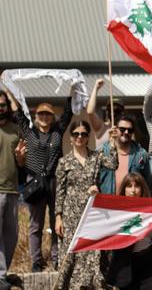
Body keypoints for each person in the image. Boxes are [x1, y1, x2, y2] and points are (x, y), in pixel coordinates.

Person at [6, 89, 74, 272]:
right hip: (34, 181)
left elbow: (69, 112)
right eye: (41, 113)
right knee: (36, 224)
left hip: (55, 181)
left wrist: (72, 92)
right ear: (36, 116)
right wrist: (8, 91)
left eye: (48, 114)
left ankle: (57, 258)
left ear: (52, 117)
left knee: (57, 222)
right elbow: (17, 113)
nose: (44, 117)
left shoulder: (58, 131)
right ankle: (36, 261)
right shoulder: (29, 132)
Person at [54, 121, 117, 289]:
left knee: (92, 253)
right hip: (70, 214)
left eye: (83, 134)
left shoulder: (96, 157)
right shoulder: (64, 162)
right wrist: (58, 217)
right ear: (71, 137)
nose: (80, 137)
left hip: (92, 212)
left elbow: (113, 164)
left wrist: (111, 143)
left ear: (88, 136)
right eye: (76, 134)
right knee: (71, 253)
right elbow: (60, 192)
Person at [105, 173, 152, 290]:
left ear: (142, 189)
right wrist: (93, 196)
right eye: (129, 186)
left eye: (136, 186)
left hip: (151, 262)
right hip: (127, 268)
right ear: (124, 190)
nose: (133, 190)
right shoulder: (116, 212)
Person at [0, 91, 21, 289]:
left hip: (13, 190)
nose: (0, 107)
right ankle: (0, 276)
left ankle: (2, 274)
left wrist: (20, 156)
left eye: (3, 104)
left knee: (11, 235)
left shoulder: (16, 130)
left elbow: (22, 162)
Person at [99, 116, 149, 195]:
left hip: (131, 203)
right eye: (122, 129)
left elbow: (147, 184)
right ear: (115, 129)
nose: (126, 132)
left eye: (130, 130)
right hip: (107, 203)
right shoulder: (103, 151)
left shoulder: (141, 154)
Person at [87, 78, 125, 148]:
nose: (113, 112)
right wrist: (96, 88)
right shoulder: (101, 127)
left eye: (117, 109)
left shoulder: (126, 130)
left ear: (122, 112)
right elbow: (90, 111)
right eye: (111, 109)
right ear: (107, 111)